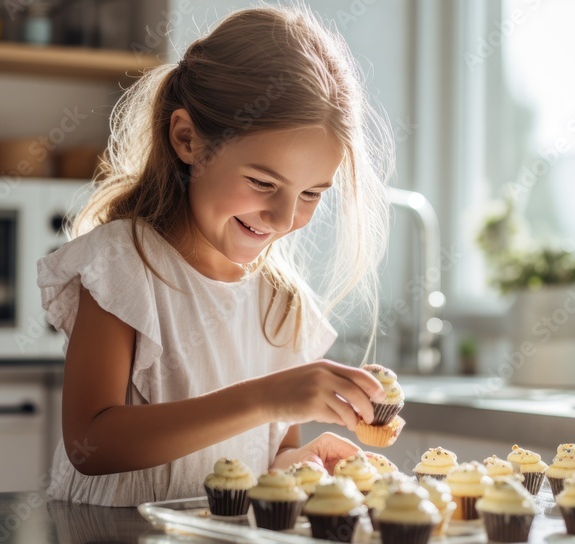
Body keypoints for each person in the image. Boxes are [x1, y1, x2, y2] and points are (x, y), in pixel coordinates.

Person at [38, 4, 392, 507]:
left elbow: (267, 454)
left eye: (312, 193)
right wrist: (266, 397)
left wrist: (300, 463)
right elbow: (90, 444)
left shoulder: (282, 304)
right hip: (108, 540)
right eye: (262, 182)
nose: (285, 216)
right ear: (187, 140)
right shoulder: (124, 266)